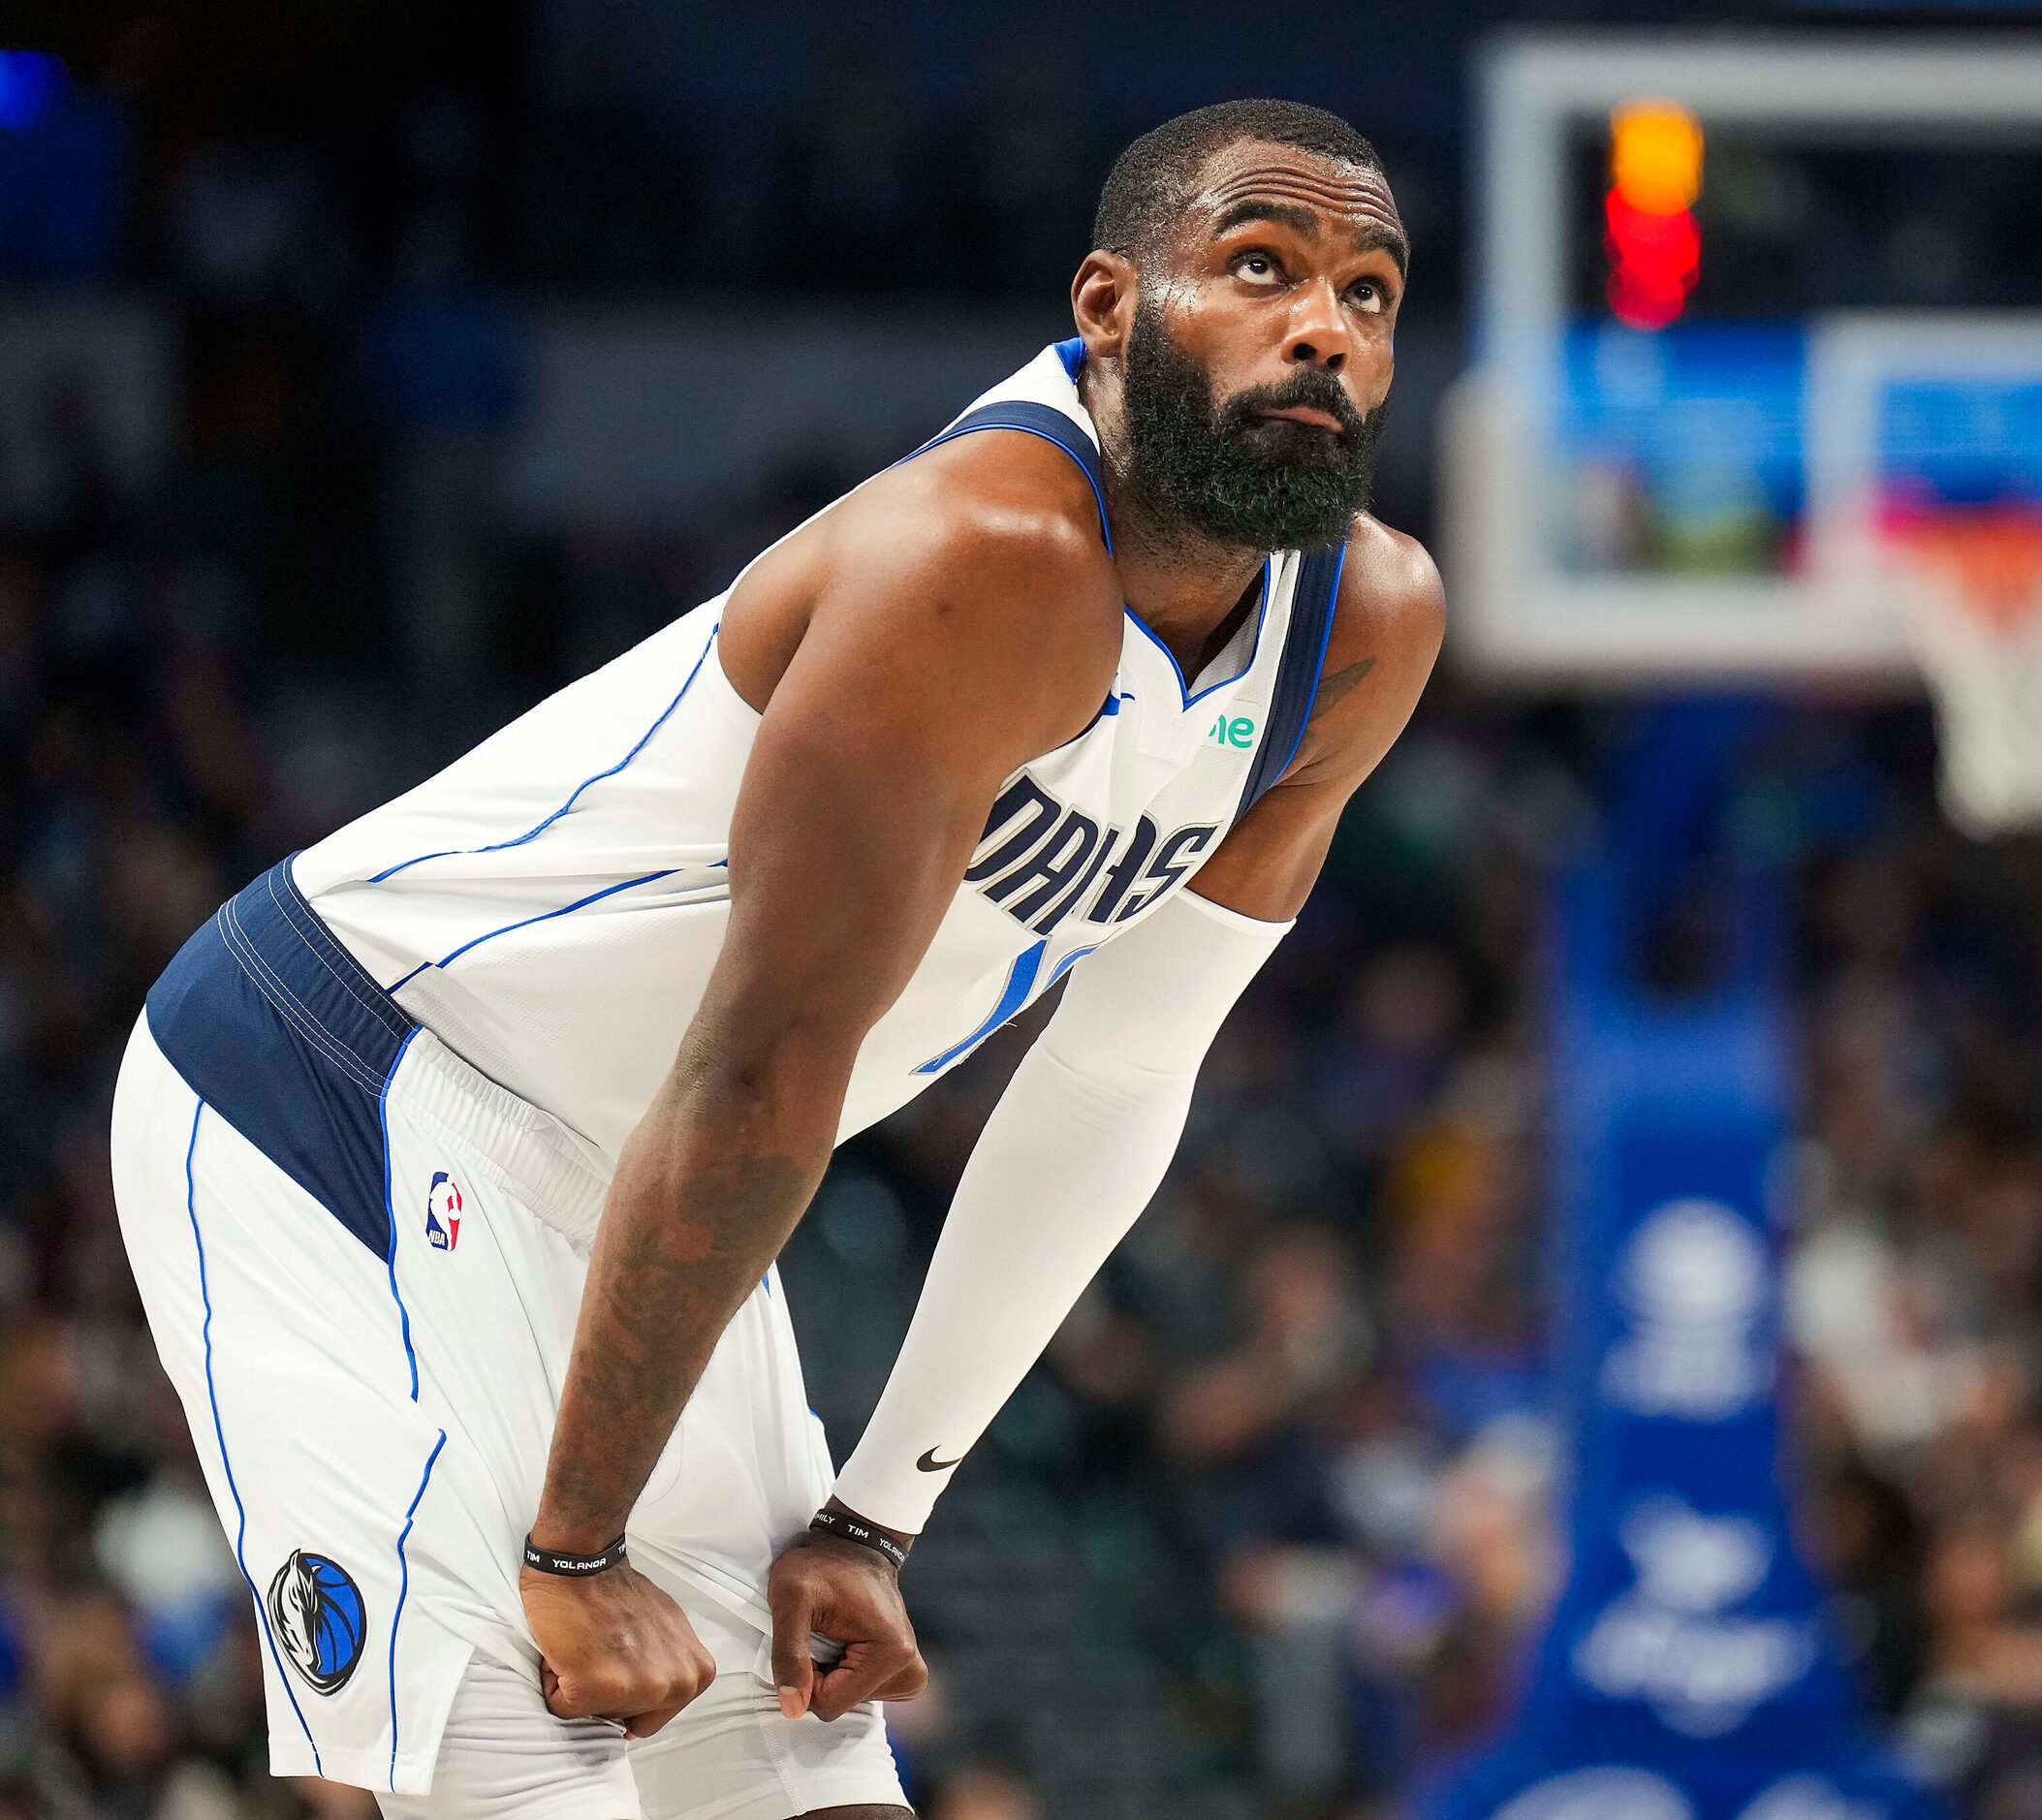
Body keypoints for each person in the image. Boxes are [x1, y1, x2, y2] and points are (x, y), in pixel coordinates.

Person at [104, 98, 1440, 1820]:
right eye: (1258, 267)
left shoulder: (1359, 629)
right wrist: (575, 1540)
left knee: (810, 1790)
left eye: (1371, 292)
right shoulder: (985, 559)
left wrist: (872, 1515)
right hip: (349, 1081)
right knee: (518, 1784)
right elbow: (763, 1071)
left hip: (655, 1165)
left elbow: (1117, 1075)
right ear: (1107, 308)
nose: (1323, 324)